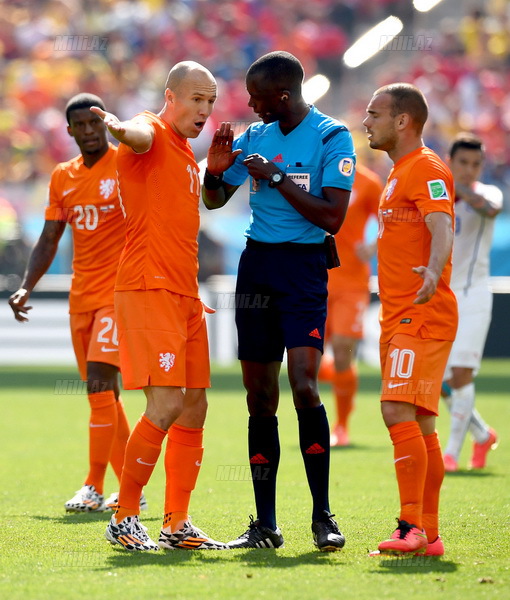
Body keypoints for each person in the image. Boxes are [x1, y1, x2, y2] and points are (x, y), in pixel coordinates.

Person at [202, 51, 354, 551]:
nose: (249, 104)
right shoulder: (254, 136)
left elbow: (332, 218)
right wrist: (214, 172)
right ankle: (265, 523)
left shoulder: (333, 137)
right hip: (257, 270)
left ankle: (322, 516)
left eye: (257, 97)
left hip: (304, 271)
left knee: (305, 386)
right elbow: (214, 198)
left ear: (282, 96)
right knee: (258, 395)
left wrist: (275, 177)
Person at [92, 61, 227, 551]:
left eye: (210, 101)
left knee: (194, 406)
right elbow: (135, 134)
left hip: (184, 294)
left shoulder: (187, 156)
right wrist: (116, 127)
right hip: (149, 289)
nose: (205, 109)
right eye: (196, 99)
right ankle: (125, 517)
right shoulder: (150, 127)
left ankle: (176, 523)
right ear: (170, 97)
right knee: (166, 402)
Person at [8, 93, 136, 514]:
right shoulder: (62, 176)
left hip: (118, 296)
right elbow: (49, 237)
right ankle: (130, 486)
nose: (87, 131)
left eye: (93, 123)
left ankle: (94, 486)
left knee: (101, 384)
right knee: (104, 396)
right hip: (80, 296)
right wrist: (27, 285)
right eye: (78, 125)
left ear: (106, 124)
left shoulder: (127, 163)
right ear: (69, 131)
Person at [363, 83, 457, 556]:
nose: (367, 122)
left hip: (421, 312)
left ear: (403, 121)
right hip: (399, 314)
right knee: (420, 422)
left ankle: (409, 525)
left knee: (395, 409)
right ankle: (430, 535)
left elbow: (443, 222)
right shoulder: (398, 172)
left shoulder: (426, 167)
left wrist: (434, 272)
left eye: (375, 114)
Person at [441, 133, 502, 472]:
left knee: (462, 374)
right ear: (450, 161)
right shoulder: (436, 196)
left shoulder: (487, 192)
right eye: (462, 163)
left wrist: (450, 185)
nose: (469, 170)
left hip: (475, 293)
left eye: (475, 164)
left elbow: (490, 208)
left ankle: (450, 453)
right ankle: (482, 434)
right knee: (439, 381)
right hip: (443, 294)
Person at [319, 163, 382, 447]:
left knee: (344, 350)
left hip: (352, 282)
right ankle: (343, 384)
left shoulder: (368, 182)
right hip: (314, 278)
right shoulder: (313, 174)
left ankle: (341, 426)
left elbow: (390, 219)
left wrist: (372, 247)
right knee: (309, 361)